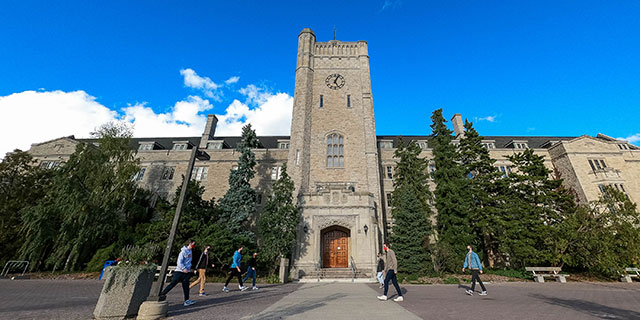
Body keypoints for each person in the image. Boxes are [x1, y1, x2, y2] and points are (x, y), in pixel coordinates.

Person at [161, 240, 196, 306]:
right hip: (179, 272)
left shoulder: (190, 251)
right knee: (172, 284)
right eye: (193, 244)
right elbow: (179, 262)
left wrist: (189, 269)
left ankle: (187, 300)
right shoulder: (183, 252)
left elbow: (189, 261)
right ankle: (162, 294)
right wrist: (183, 268)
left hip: (186, 272)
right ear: (189, 244)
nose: (194, 245)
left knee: (186, 286)